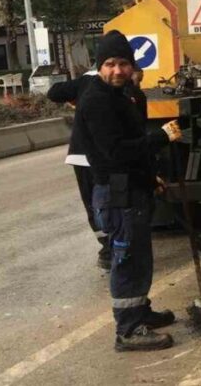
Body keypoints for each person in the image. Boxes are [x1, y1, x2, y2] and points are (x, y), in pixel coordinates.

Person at [77, 30, 183, 352]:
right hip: (115, 194)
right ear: (99, 66)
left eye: (123, 63)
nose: (118, 70)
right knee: (126, 260)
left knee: (139, 257)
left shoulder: (122, 96)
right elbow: (116, 152)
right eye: (110, 63)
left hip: (132, 189)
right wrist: (160, 138)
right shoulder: (96, 101)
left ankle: (140, 311)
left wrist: (151, 179)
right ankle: (128, 330)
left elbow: (133, 153)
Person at [47, 69, 108, 269]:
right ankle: (113, 245)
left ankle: (108, 247)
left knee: (93, 204)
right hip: (99, 155)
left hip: (83, 154)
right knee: (107, 201)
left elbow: (54, 92)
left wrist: (76, 96)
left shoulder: (87, 81)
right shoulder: (110, 83)